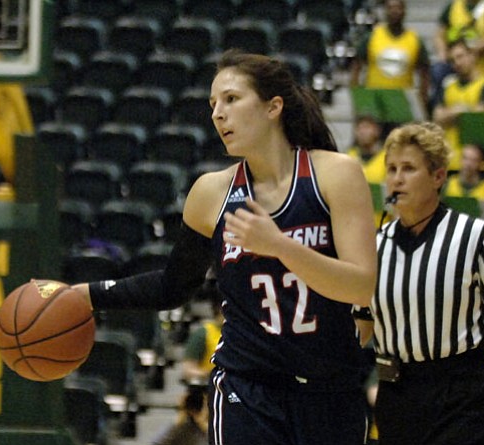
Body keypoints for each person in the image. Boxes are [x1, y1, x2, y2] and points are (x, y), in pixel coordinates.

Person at [68, 49, 378, 445]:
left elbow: (360, 285)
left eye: (231, 99)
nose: (217, 114)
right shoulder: (211, 193)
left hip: (330, 391)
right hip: (246, 389)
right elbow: (172, 286)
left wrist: (280, 246)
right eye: (213, 104)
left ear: (273, 107)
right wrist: (87, 294)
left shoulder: (335, 174)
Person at [354, 122, 484, 445]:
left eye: (409, 168)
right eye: (391, 168)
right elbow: (362, 327)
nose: (397, 178)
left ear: (438, 177)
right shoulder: (373, 246)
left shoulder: (474, 236)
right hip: (397, 395)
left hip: (462, 395)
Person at [350, 0, 431, 113]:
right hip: (375, 99)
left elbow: (425, 72)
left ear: (404, 11)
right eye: (390, 7)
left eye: (398, 7)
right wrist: (357, 94)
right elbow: (356, 65)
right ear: (385, 11)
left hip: (403, 102)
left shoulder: (414, 39)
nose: (394, 11)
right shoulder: (373, 36)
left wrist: (423, 98)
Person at [432, 38, 484, 172]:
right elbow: (437, 117)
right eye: (452, 59)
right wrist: (461, 111)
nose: (457, 63)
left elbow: (479, 119)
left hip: (474, 161)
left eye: (460, 57)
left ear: (472, 55)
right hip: (447, 160)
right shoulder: (448, 85)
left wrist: (451, 113)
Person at [431, 0, 484, 108]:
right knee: (439, 70)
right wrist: (444, 54)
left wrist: (471, 51)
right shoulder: (453, 7)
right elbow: (439, 34)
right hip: (456, 70)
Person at [181, 273, 224, 386]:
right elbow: (188, 369)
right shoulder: (203, 333)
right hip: (209, 386)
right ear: (219, 309)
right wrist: (210, 374)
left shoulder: (240, 333)